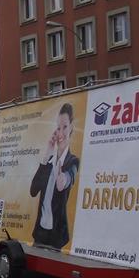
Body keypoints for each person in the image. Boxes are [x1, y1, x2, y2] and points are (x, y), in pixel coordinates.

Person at [30, 102, 79, 250]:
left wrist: (64, 179)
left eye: (65, 127)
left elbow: (69, 177)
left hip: (57, 237)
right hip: (39, 233)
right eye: (58, 128)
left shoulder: (72, 161)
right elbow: (33, 191)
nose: (61, 132)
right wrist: (47, 155)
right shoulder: (49, 162)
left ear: (71, 127)